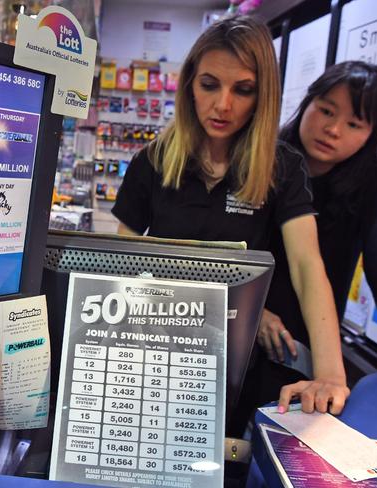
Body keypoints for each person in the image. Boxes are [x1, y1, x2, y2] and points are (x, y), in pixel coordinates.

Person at [111, 15, 349, 415]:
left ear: (263, 96)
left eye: (243, 90)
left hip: (239, 363)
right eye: (209, 85)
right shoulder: (151, 162)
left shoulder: (282, 167)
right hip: (158, 349)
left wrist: (330, 374)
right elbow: (121, 266)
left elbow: (308, 266)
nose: (223, 105)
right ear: (189, 84)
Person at [255, 61, 377, 397]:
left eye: (354, 123)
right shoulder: (262, 159)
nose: (334, 129)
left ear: (372, 133)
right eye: (326, 111)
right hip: (240, 326)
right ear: (307, 102)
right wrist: (253, 309)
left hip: (310, 348)